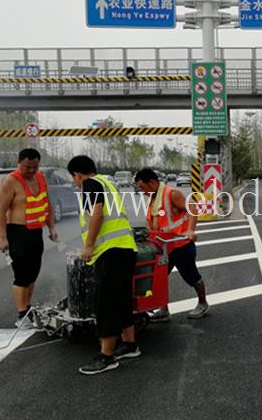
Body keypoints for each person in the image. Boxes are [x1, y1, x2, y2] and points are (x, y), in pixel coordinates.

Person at [68, 155, 139, 375]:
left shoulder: (90, 184)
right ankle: (129, 345)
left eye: (74, 178)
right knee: (121, 299)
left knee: (106, 304)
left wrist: (88, 245)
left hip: (110, 251)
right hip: (125, 249)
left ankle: (107, 356)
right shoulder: (108, 182)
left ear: (77, 174)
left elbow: (96, 213)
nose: (75, 182)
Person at [135, 168, 209, 320]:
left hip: (180, 245)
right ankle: (164, 310)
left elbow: (192, 208)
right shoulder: (153, 198)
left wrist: (190, 230)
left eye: (142, 188)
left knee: (191, 276)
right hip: (163, 247)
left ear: (152, 182)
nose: (142, 192)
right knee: (158, 278)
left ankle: (203, 303)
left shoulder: (171, 194)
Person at [0, 148, 58, 328]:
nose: (31, 171)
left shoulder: (40, 178)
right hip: (17, 232)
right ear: (19, 163)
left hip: (35, 232)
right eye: (27, 167)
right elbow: (0, 211)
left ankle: (28, 308)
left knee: (32, 274)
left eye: (34, 167)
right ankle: (22, 315)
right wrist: (2, 237)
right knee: (22, 275)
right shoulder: (11, 181)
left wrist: (52, 227)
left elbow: (47, 204)